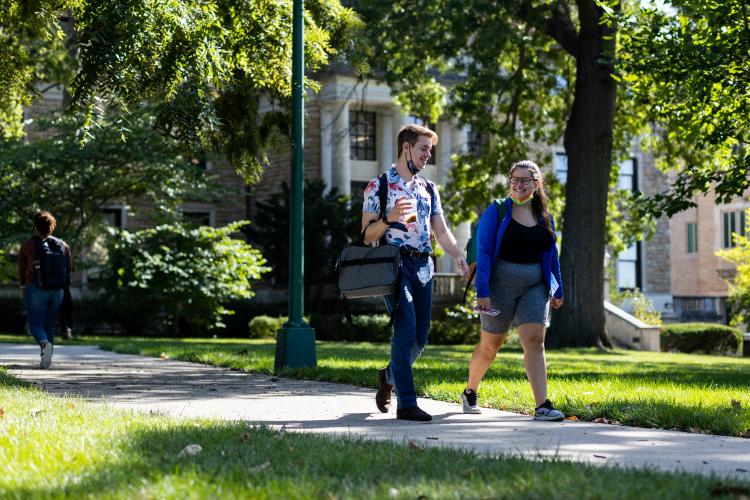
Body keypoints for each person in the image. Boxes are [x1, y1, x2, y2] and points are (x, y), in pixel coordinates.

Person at [362, 123, 468, 422]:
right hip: (393, 265)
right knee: (406, 330)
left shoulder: (428, 188)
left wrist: (458, 255)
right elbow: (368, 236)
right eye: (424, 149)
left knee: (421, 337)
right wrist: (389, 218)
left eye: (430, 151)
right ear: (406, 147)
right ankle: (407, 404)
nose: (427, 156)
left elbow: (442, 232)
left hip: (424, 265)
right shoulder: (379, 186)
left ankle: (389, 376)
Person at [461, 160, 565, 421]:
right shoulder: (496, 211)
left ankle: (542, 405)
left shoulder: (545, 216)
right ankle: (470, 391)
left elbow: (552, 256)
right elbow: (484, 254)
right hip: (499, 286)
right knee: (490, 347)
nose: (519, 184)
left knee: (535, 342)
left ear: (536, 184)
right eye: (515, 179)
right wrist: (481, 292)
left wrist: (558, 288)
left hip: (535, 285)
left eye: (525, 180)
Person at [18, 211, 72, 369]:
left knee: (35, 324)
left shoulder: (28, 245)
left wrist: (22, 287)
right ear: (52, 226)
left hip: (36, 288)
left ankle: (44, 344)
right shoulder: (63, 245)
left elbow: (22, 269)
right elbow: (69, 268)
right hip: (58, 291)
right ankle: (47, 359)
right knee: (50, 325)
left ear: (35, 226)